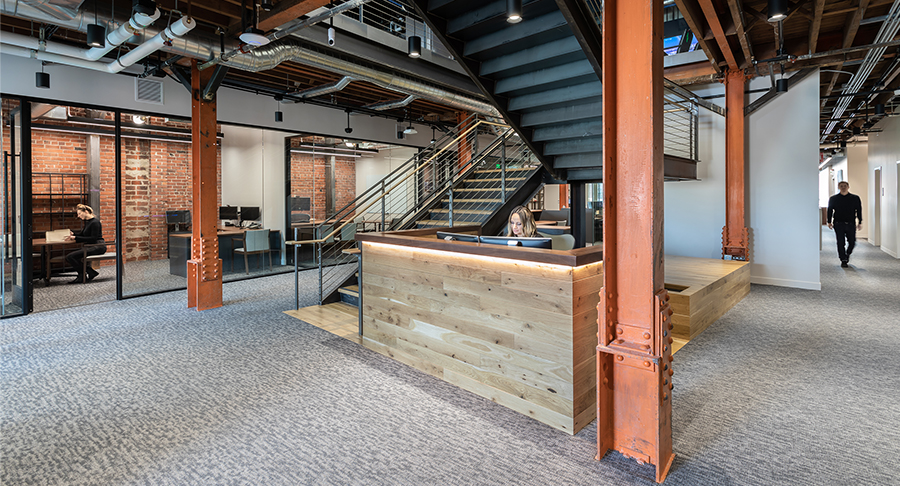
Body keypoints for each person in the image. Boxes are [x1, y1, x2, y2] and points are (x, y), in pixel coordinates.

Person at [64, 204, 106, 283]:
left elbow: (93, 238)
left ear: (86, 212)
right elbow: (83, 235)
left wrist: (76, 238)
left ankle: (82, 275)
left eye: (79, 213)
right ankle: (90, 272)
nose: (78, 216)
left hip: (98, 246)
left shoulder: (95, 223)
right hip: (91, 246)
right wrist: (74, 235)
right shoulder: (88, 222)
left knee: (70, 257)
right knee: (71, 256)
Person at [826, 181, 863, 268]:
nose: (843, 187)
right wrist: (829, 221)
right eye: (841, 186)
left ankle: (847, 253)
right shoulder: (834, 198)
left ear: (848, 187)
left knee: (852, 241)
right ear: (838, 187)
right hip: (838, 223)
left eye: (845, 186)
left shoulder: (855, 198)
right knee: (840, 242)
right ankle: (843, 259)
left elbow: (859, 210)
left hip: (850, 223)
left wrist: (860, 221)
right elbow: (830, 210)